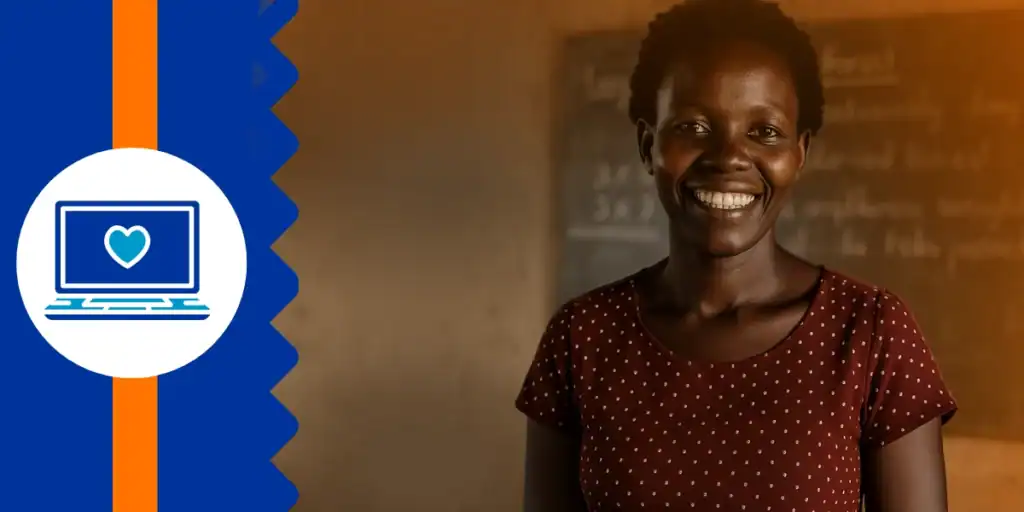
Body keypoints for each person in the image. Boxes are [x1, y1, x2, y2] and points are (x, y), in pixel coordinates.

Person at [516, 1, 957, 510]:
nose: (728, 157)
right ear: (646, 145)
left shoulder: (871, 334)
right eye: (693, 127)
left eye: (764, 131)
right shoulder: (582, 338)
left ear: (800, 152)